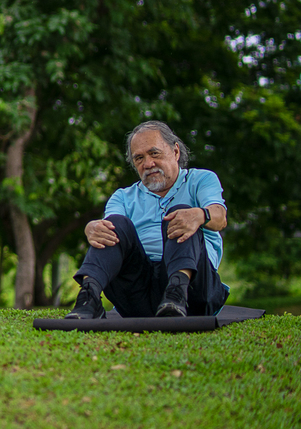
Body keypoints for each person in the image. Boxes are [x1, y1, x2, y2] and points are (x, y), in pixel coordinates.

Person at [66, 120, 229, 319]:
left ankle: (176, 294)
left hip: (194, 292)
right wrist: (91, 227)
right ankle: (89, 297)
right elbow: (108, 235)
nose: (148, 164)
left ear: (175, 152)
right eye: (139, 158)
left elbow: (220, 218)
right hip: (138, 294)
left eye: (154, 153)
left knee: (180, 213)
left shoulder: (201, 179)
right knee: (112, 226)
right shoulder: (123, 197)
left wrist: (199, 215)